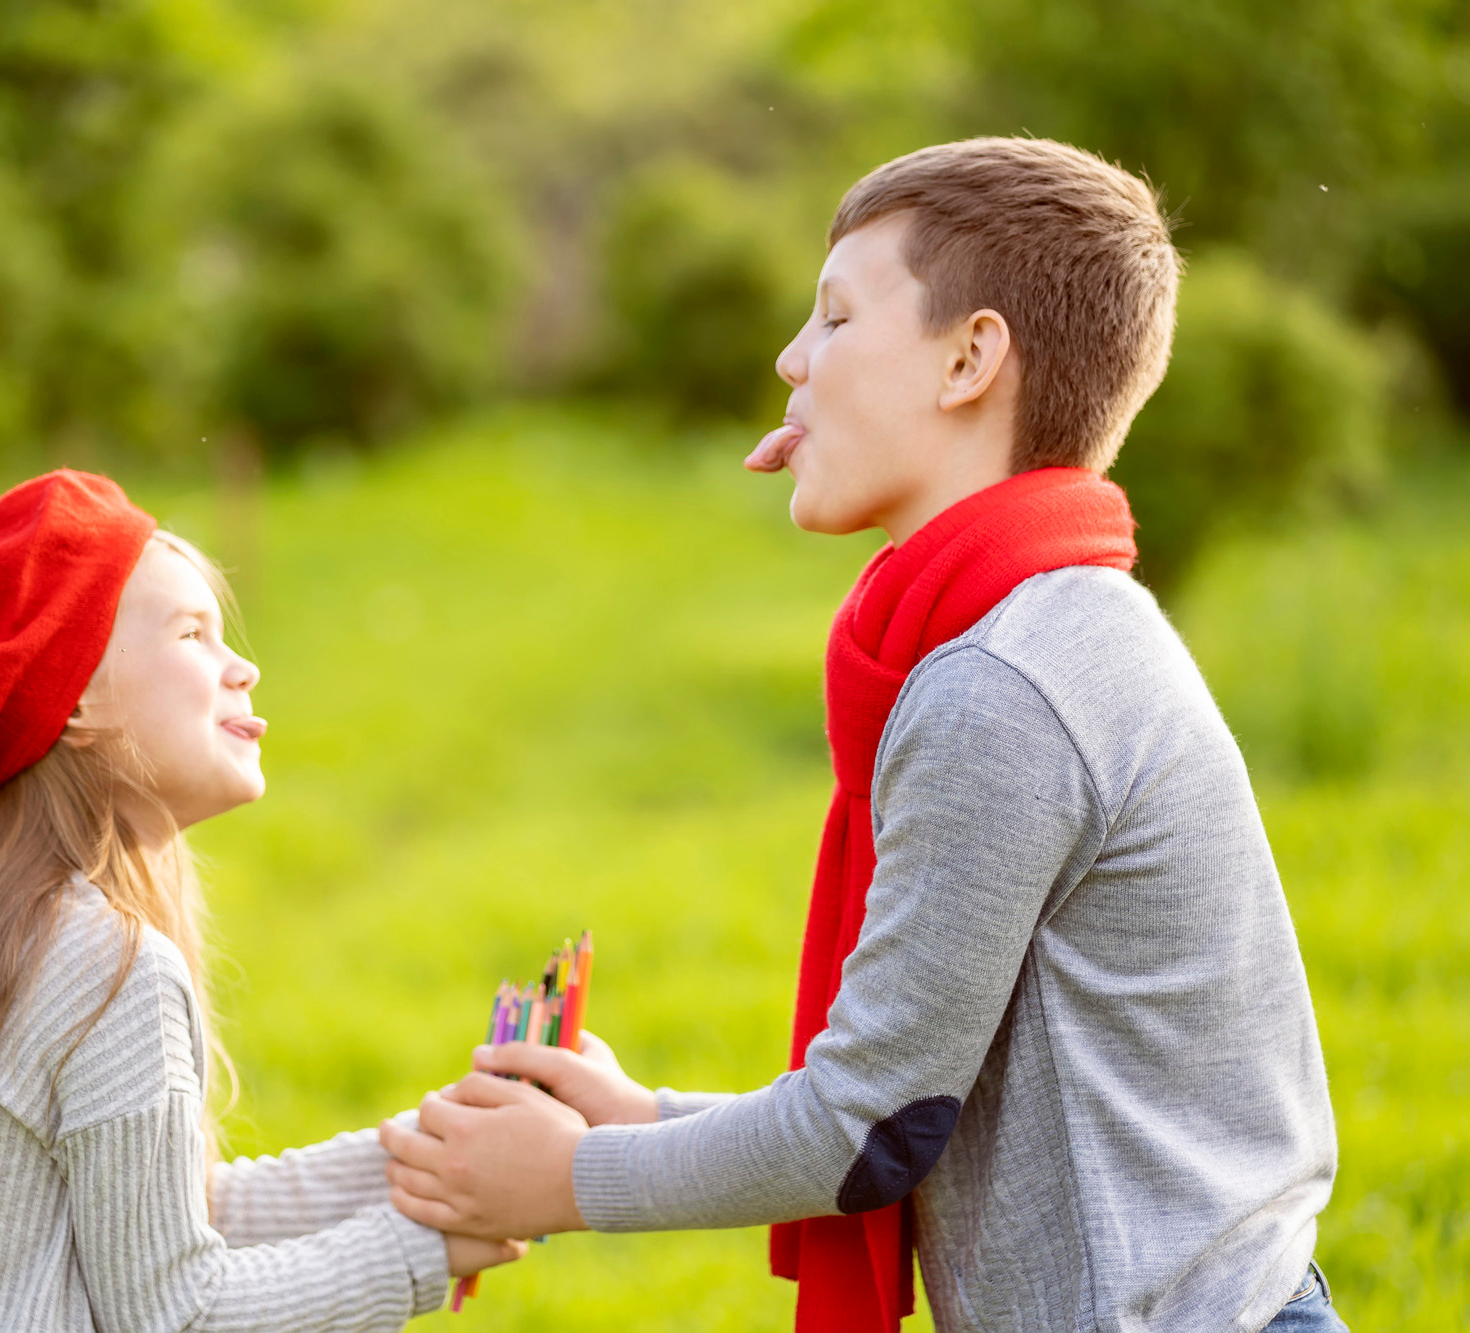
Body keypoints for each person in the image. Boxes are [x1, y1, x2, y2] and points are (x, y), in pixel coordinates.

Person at [378, 138, 1345, 1333]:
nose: (790, 358)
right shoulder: (1050, 623)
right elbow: (895, 1082)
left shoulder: (1002, 686)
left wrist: (566, 1181)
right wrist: (637, 1116)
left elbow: (866, 1128)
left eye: (834, 318)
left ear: (967, 358)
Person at [0, 470, 521, 1332]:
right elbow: (177, 1313)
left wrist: (429, 1155)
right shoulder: (110, 967)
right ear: (73, 700)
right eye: (193, 634)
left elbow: (167, 1215)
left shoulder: (2, 918)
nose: (244, 666)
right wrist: (421, 1251)